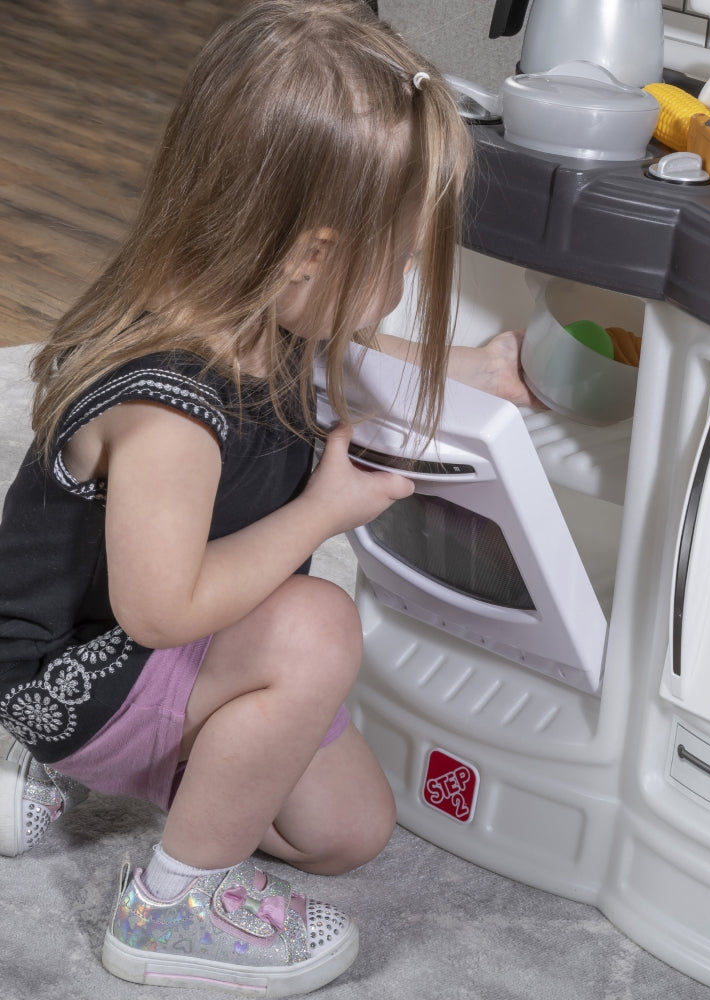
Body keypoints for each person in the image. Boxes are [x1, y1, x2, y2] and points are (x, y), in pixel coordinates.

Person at [0, 0, 532, 993]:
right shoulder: (172, 402)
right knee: (315, 627)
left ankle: (169, 769)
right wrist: (322, 512)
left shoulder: (268, 303)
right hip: (80, 663)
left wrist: (473, 367)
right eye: (399, 261)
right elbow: (158, 607)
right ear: (309, 255)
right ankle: (170, 906)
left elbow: (358, 341)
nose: (400, 286)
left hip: (175, 639)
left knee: (346, 832)